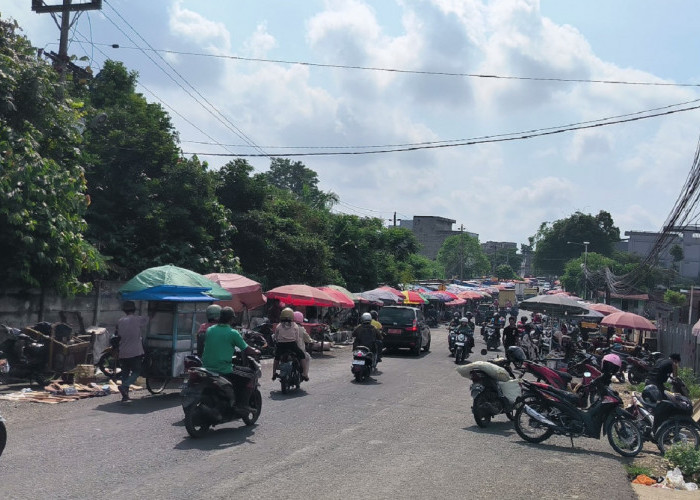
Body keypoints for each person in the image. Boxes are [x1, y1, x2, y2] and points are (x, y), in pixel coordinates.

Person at [202, 306, 261, 414]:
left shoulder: (209, 330)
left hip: (206, 366)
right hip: (223, 368)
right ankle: (242, 405)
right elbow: (246, 349)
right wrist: (256, 351)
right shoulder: (233, 333)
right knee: (251, 375)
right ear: (231, 319)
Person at [115, 300, 151, 402]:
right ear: (134, 310)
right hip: (135, 352)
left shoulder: (120, 320)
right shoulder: (137, 319)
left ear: (124, 310)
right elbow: (148, 319)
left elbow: (117, 333)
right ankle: (125, 385)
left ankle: (125, 396)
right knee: (136, 371)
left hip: (123, 352)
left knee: (125, 373)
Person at [272, 308, 309, 381]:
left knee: (276, 358)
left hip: (281, 345)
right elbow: (297, 338)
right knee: (302, 355)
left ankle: (273, 373)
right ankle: (304, 373)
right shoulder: (294, 325)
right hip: (292, 345)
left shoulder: (279, 325)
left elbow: (275, 336)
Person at [293, 310, 313, 380]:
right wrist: (312, 341)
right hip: (298, 350)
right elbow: (308, 338)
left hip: (285, 349)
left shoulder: (285, 327)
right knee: (307, 357)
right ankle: (305, 374)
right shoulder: (301, 329)